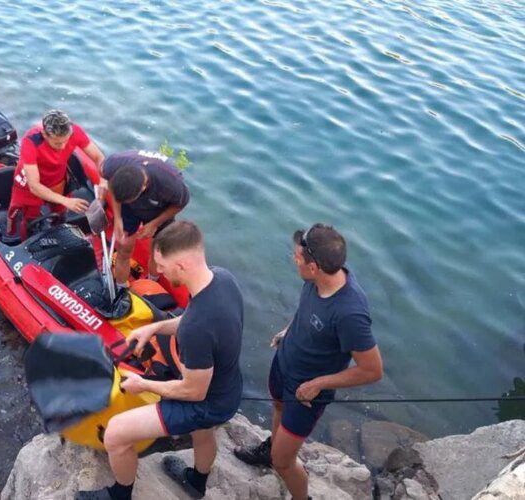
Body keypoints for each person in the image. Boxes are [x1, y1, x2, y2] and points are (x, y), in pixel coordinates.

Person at [76, 220, 244, 500]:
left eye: (162, 266)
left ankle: (119, 495)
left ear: (181, 265)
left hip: (206, 401)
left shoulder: (197, 328)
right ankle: (196, 482)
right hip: (229, 389)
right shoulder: (222, 279)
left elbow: (194, 391)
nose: (158, 271)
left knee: (116, 433)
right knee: (203, 433)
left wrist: (143, 385)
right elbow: (192, 319)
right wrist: (155, 327)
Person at [233, 223, 383, 500]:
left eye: (298, 256)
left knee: (284, 462)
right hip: (284, 365)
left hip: (306, 392)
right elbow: (307, 310)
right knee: (277, 408)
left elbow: (372, 370)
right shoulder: (315, 279)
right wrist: (288, 331)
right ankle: (270, 449)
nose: (294, 259)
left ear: (314, 267)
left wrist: (319, 384)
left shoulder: (350, 314)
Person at [7, 109, 105, 239]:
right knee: (30, 219)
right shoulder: (30, 142)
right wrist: (66, 201)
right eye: (57, 143)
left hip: (56, 177)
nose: (63, 147)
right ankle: (27, 240)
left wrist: (103, 179)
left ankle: (59, 232)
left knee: (61, 213)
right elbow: (34, 186)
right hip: (30, 182)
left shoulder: (75, 132)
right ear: (44, 134)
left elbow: (98, 157)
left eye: (66, 141)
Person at [99, 150, 190, 285]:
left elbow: (181, 203)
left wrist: (155, 224)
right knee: (123, 249)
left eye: (130, 200)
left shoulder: (171, 184)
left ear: (143, 187)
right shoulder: (113, 164)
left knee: (158, 252)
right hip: (128, 209)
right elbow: (111, 184)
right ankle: (120, 288)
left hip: (159, 209)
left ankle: (152, 280)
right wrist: (118, 218)